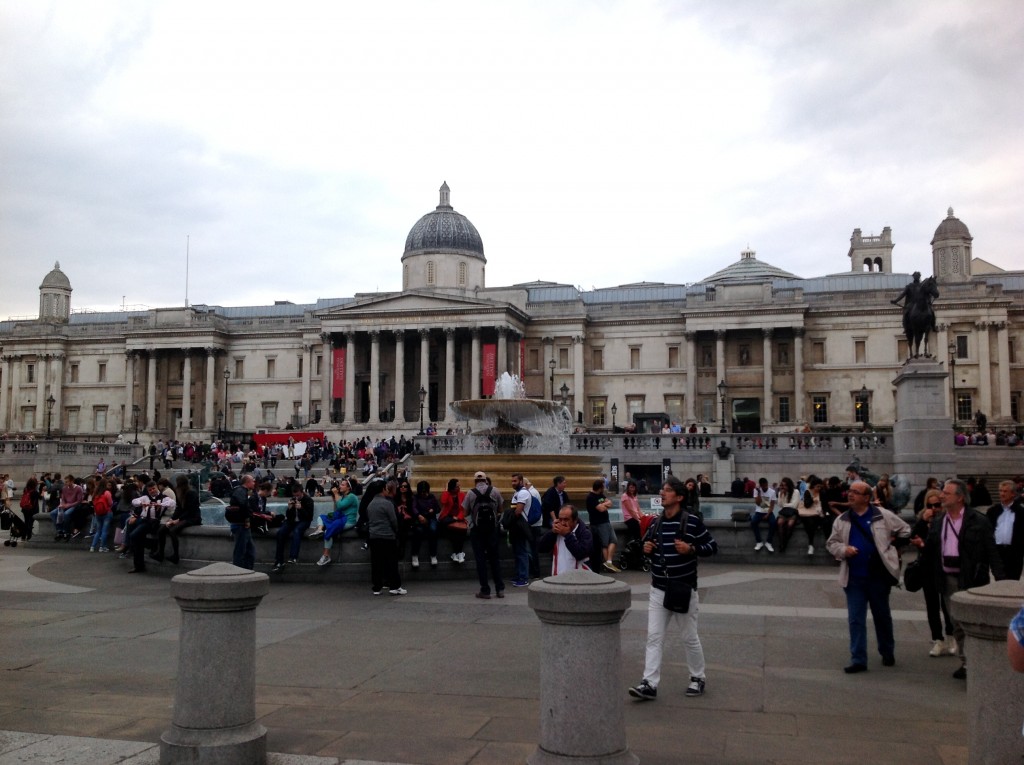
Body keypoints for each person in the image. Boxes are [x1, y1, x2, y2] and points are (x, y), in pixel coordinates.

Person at [628, 477, 718, 701]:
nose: (662, 492)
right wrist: (647, 549)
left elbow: (712, 546)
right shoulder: (656, 523)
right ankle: (649, 683)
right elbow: (647, 548)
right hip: (658, 588)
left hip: (683, 588)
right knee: (654, 637)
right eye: (663, 489)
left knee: (689, 637)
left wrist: (691, 548)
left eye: (667, 490)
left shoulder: (692, 522)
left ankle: (698, 677)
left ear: (679, 497)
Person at [917, 478, 1005, 680]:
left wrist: (1001, 581)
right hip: (947, 578)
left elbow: (992, 551)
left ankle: (977, 662)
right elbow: (930, 550)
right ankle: (967, 662)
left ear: (959, 497)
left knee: (974, 622)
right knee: (956, 622)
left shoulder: (978, 520)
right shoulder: (939, 520)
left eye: (946, 493)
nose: (941, 496)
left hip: (971, 579)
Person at [827, 480, 911, 673]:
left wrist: (893, 547)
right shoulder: (842, 520)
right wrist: (843, 550)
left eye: (855, 492)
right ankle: (858, 658)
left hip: (878, 577)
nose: (850, 495)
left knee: (882, 616)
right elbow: (831, 543)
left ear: (866, 497)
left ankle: (887, 651)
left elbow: (906, 530)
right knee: (855, 619)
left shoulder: (883, 516)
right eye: (850, 491)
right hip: (854, 577)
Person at [909, 488, 956, 657]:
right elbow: (913, 537)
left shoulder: (947, 520)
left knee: (947, 605)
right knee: (932, 605)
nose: (934, 508)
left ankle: (951, 636)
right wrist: (922, 521)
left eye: (937, 504)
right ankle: (938, 639)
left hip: (944, 567)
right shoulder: (923, 518)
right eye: (931, 505)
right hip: (927, 567)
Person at [463, 471, 505, 599]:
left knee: (480, 560)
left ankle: (485, 590)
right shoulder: (495, 491)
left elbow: (465, 512)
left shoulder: (470, 493)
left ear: (475, 481)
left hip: (477, 531)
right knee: (494, 559)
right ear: (486, 479)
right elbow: (500, 510)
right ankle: (500, 589)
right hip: (492, 529)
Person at [152, 475, 202, 564]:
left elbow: (190, 511)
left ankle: (176, 556)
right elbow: (179, 508)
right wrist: (172, 518)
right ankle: (160, 553)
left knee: (172, 530)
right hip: (185, 517)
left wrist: (177, 520)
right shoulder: (180, 492)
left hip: (193, 518)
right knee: (161, 529)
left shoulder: (191, 493)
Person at [128, 481, 175, 573]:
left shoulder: (163, 498)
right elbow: (134, 501)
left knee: (134, 536)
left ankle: (150, 545)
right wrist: (141, 504)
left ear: (157, 487)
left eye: (153, 488)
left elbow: (172, 503)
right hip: (143, 520)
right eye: (150, 490)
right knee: (135, 536)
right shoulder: (145, 497)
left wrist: (160, 505)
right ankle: (138, 565)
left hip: (153, 523)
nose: (152, 491)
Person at [368, 479, 405, 595]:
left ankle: (377, 587)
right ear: (383, 490)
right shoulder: (387, 504)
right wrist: (396, 532)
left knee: (376, 563)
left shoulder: (370, 504)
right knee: (391, 562)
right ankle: (394, 586)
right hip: (388, 536)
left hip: (374, 536)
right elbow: (394, 521)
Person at [315, 479, 359, 566]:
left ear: (349, 488)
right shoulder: (344, 496)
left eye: (342, 485)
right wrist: (334, 497)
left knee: (329, 530)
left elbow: (341, 506)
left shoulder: (352, 497)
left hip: (348, 521)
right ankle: (319, 530)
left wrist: (336, 494)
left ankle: (326, 555)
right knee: (321, 517)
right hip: (340, 518)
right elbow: (337, 509)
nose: (340, 486)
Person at [537, 504, 592, 573]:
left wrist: (567, 535)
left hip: (578, 578)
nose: (562, 523)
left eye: (566, 519)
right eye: (560, 519)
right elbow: (541, 548)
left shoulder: (585, 533)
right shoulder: (556, 532)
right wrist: (551, 533)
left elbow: (580, 554)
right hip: (558, 576)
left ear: (575, 520)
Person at [986, 480, 1024, 580]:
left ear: (1013, 494)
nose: (1002, 494)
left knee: (1013, 581)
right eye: (1000, 491)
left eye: (1005, 491)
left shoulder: (1020, 512)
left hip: (1014, 552)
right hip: (998, 552)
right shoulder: (993, 511)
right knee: (999, 579)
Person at [272, 484, 314, 572]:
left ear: (302, 492)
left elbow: (309, 517)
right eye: (294, 495)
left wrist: (301, 508)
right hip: (291, 521)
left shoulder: (309, 500)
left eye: (298, 495)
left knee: (297, 531)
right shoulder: (292, 500)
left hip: (304, 521)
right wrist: (289, 508)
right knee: (280, 533)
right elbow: (288, 516)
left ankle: (293, 557)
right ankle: (279, 561)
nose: (296, 497)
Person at [586, 478, 619, 572]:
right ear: (599, 488)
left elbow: (610, 503)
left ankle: (608, 561)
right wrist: (605, 505)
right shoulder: (591, 497)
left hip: (606, 521)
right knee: (605, 543)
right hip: (598, 523)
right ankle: (607, 564)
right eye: (603, 487)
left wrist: (604, 505)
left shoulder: (600, 495)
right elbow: (601, 509)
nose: (604, 488)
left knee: (614, 540)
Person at [409, 480, 441, 569]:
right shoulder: (415, 497)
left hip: (431, 518)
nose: (424, 494)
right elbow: (413, 507)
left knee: (433, 530)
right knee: (418, 531)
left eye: (425, 492)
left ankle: (433, 555)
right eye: (422, 492)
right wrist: (419, 515)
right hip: (419, 519)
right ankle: (414, 555)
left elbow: (438, 508)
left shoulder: (432, 497)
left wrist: (433, 510)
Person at [228, 474, 257, 570]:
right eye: (252, 481)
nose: (254, 482)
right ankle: (239, 572)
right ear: (247, 482)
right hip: (240, 525)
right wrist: (249, 515)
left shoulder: (241, 491)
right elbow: (243, 505)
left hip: (243, 524)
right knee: (240, 551)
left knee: (249, 551)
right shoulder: (241, 491)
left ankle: (247, 571)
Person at [508, 473, 533, 586]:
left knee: (522, 552)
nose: (513, 483)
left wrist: (508, 520)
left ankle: (523, 577)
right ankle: (519, 575)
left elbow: (518, 511)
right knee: (518, 552)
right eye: (512, 481)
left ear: (521, 481)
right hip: (516, 526)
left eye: (515, 481)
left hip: (520, 526)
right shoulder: (517, 492)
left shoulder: (522, 493)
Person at [438, 478, 467, 564]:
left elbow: (463, 509)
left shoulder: (462, 495)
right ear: (452, 487)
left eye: (459, 486)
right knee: (453, 529)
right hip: (447, 517)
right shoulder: (446, 494)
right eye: (457, 486)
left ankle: (457, 553)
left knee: (460, 531)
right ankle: (459, 553)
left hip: (457, 518)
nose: (459, 488)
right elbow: (443, 501)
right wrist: (447, 491)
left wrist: (457, 518)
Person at [798, 476, 825, 556]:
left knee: (819, 522)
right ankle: (811, 544)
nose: (819, 488)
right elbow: (806, 505)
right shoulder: (808, 492)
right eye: (817, 486)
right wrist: (813, 499)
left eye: (820, 486)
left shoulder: (822, 493)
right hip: (809, 512)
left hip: (818, 513)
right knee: (809, 523)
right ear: (813, 485)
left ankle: (811, 545)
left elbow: (824, 503)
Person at [51, 474, 84, 541]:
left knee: (66, 514)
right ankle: (59, 530)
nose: (66, 483)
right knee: (53, 513)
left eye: (67, 481)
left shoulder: (78, 488)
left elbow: (79, 501)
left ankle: (65, 531)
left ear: (72, 481)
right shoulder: (64, 488)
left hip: (74, 505)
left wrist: (68, 505)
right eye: (65, 481)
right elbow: (63, 498)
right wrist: (62, 504)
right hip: (65, 505)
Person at [750, 477, 777, 553]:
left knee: (773, 523)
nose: (765, 487)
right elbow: (758, 503)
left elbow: (772, 506)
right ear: (761, 485)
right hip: (759, 512)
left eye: (766, 486)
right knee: (753, 522)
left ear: (767, 484)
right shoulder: (756, 490)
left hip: (768, 512)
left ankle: (769, 542)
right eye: (763, 486)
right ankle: (759, 542)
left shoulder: (772, 492)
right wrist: (759, 493)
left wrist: (768, 515)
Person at [87, 478, 114, 553]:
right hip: (107, 512)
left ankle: (92, 546)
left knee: (98, 531)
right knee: (104, 531)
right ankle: (102, 547)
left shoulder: (96, 492)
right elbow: (110, 503)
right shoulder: (107, 493)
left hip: (98, 513)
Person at [775, 477, 800, 553]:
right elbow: (780, 505)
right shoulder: (781, 493)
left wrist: (786, 505)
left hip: (792, 512)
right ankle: (782, 543)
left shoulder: (796, 492)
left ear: (789, 485)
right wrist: (782, 495)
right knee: (779, 523)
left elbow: (794, 505)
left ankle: (784, 543)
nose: (784, 487)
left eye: (785, 485)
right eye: (782, 485)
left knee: (790, 524)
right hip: (784, 512)